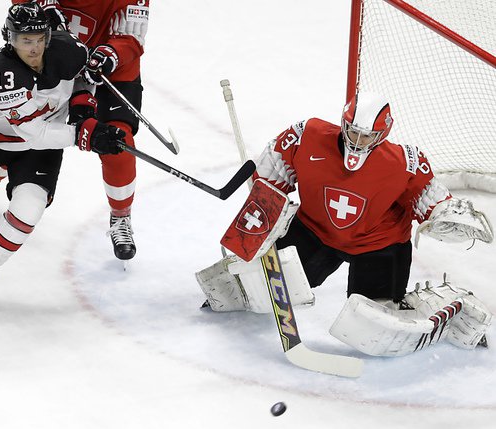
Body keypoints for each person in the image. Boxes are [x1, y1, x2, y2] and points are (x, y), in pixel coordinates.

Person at [196, 92, 493, 356]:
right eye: (352, 131)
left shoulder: (405, 162)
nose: (357, 140)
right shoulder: (306, 135)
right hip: (314, 231)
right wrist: (265, 208)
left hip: (379, 246)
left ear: (382, 134)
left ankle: (452, 309)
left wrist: (445, 215)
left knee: (373, 324)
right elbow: (273, 170)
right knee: (268, 285)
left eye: (366, 136)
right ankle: (233, 289)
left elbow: (433, 201)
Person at [0, 2, 124, 308]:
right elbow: (33, 132)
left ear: (48, 36)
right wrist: (85, 136)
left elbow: (82, 79)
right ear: (10, 39)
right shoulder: (3, 75)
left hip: (38, 151)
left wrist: (85, 111)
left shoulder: (69, 49)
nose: (33, 49)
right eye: (24, 41)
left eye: (38, 40)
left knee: (28, 212)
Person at [0, 0, 148, 262]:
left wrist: (111, 54)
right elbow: (21, 9)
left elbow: (132, 35)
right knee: (24, 121)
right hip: (49, 56)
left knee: (118, 141)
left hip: (108, 71)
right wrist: (40, 6)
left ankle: (121, 217)